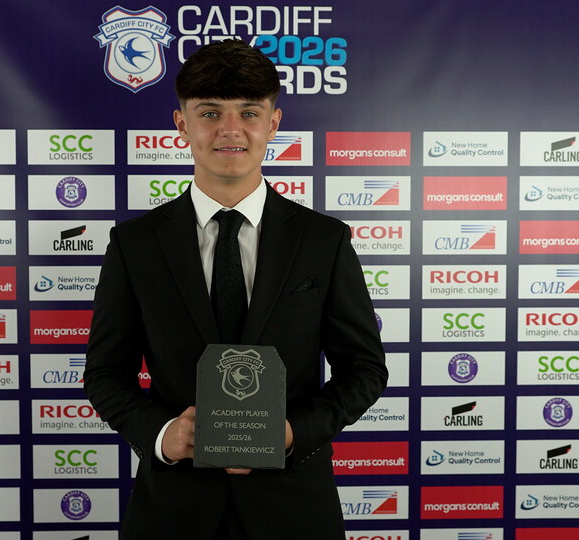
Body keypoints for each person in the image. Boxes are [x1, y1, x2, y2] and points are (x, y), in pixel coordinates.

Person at [84, 39, 387, 540]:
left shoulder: (323, 240)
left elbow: (365, 368)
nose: (230, 130)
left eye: (249, 112)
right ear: (181, 125)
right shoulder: (134, 244)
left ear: (273, 122)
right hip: (172, 512)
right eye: (210, 112)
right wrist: (162, 435)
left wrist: (293, 434)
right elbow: (104, 374)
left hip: (293, 508)